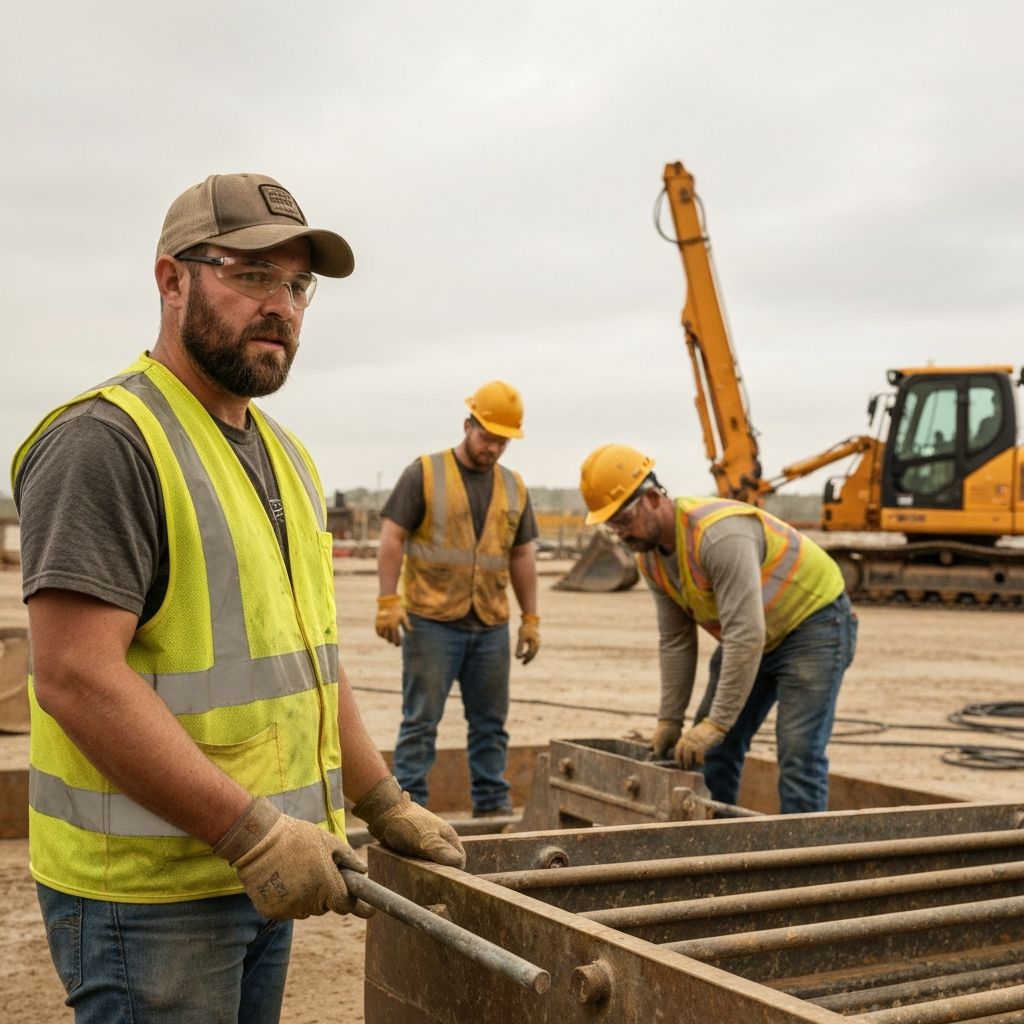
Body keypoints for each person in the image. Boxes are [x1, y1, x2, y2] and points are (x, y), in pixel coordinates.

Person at [12, 173, 465, 1024]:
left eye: (298, 285)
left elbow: (308, 665)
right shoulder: (104, 443)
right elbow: (73, 676)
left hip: (264, 874)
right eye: (251, 275)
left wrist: (382, 800)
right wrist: (249, 832)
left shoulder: (288, 459)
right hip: (148, 899)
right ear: (170, 278)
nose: (281, 307)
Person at [578, 444, 858, 813]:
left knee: (798, 754)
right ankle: (717, 847)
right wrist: (670, 719)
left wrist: (718, 723)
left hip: (814, 627)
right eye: (610, 524)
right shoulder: (650, 559)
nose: (619, 533)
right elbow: (676, 641)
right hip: (753, 637)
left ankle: (806, 860)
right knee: (712, 751)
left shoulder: (717, 535)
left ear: (651, 498)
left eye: (623, 520)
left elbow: (745, 634)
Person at [374, 382, 540, 816]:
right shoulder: (425, 473)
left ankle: (493, 808)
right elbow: (392, 536)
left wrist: (532, 618)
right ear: (468, 425)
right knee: (420, 723)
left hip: (489, 624)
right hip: (431, 621)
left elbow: (521, 554)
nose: (493, 448)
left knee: (490, 726)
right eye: (487, 437)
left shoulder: (515, 487)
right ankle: (410, 812)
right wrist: (387, 600)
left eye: (502, 441)